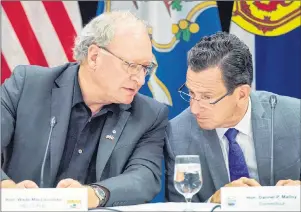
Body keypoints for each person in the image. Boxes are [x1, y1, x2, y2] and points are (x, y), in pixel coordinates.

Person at [1, 11, 169, 209]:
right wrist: (6, 187)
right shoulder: (27, 86)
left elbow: (144, 177)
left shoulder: (149, 115)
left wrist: (93, 193)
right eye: (131, 66)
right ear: (94, 56)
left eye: (145, 68)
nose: (140, 79)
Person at [165, 32, 300, 203]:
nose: (194, 108)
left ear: (242, 94)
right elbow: (179, 206)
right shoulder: (176, 136)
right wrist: (212, 203)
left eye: (207, 97)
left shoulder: (295, 118)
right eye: (191, 93)